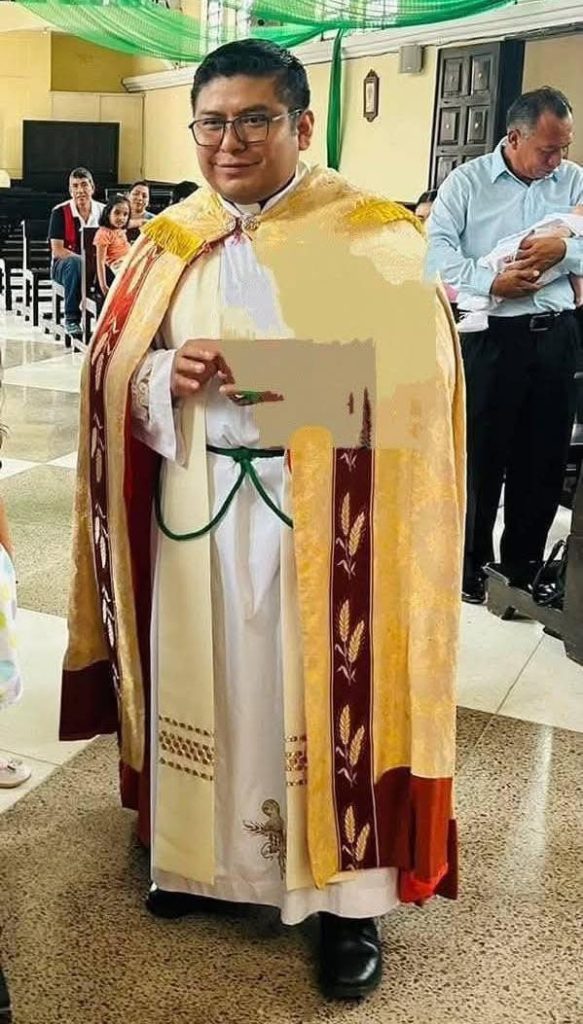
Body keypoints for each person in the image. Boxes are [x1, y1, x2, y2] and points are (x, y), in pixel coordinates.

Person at [61, 40, 464, 1000]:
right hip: (195, 510)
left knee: (319, 697)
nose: (228, 142)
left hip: (327, 531)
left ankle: (347, 903)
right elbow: (109, 371)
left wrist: (276, 381)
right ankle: (198, 863)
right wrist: (165, 374)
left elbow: (419, 395)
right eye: (211, 122)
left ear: (300, 125)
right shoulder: (170, 240)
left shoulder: (372, 238)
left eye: (253, 120)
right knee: (210, 680)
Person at [426, 86, 583, 605]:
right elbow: (434, 256)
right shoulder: (467, 183)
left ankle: (523, 565)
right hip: (491, 338)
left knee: (544, 457)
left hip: (556, 334)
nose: (557, 160)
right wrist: (490, 281)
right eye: (547, 149)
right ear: (514, 138)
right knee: (480, 457)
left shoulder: (575, 181)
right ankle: (470, 567)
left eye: (563, 148)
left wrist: (565, 250)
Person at [457, 205, 583, 331]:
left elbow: (576, 272)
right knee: (495, 267)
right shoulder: (562, 220)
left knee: (523, 276)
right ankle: (479, 307)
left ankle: (479, 309)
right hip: (519, 254)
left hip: (556, 318)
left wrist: (578, 295)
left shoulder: (572, 224)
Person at [48, 167, 104, 340]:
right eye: (75, 186)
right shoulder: (60, 212)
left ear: (92, 188)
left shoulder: (104, 212)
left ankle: (108, 321)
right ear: (70, 190)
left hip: (97, 266)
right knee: (75, 264)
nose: (80, 190)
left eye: (84, 185)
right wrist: (84, 262)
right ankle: (72, 318)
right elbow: (57, 250)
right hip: (65, 266)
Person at [93, 195, 132, 298]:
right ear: (108, 213)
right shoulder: (103, 233)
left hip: (128, 261)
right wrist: (103, 286)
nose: (121, 218)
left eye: (125, 214)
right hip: (117, 267)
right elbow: (100, 262)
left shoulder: (120, 231)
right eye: (117, 213)